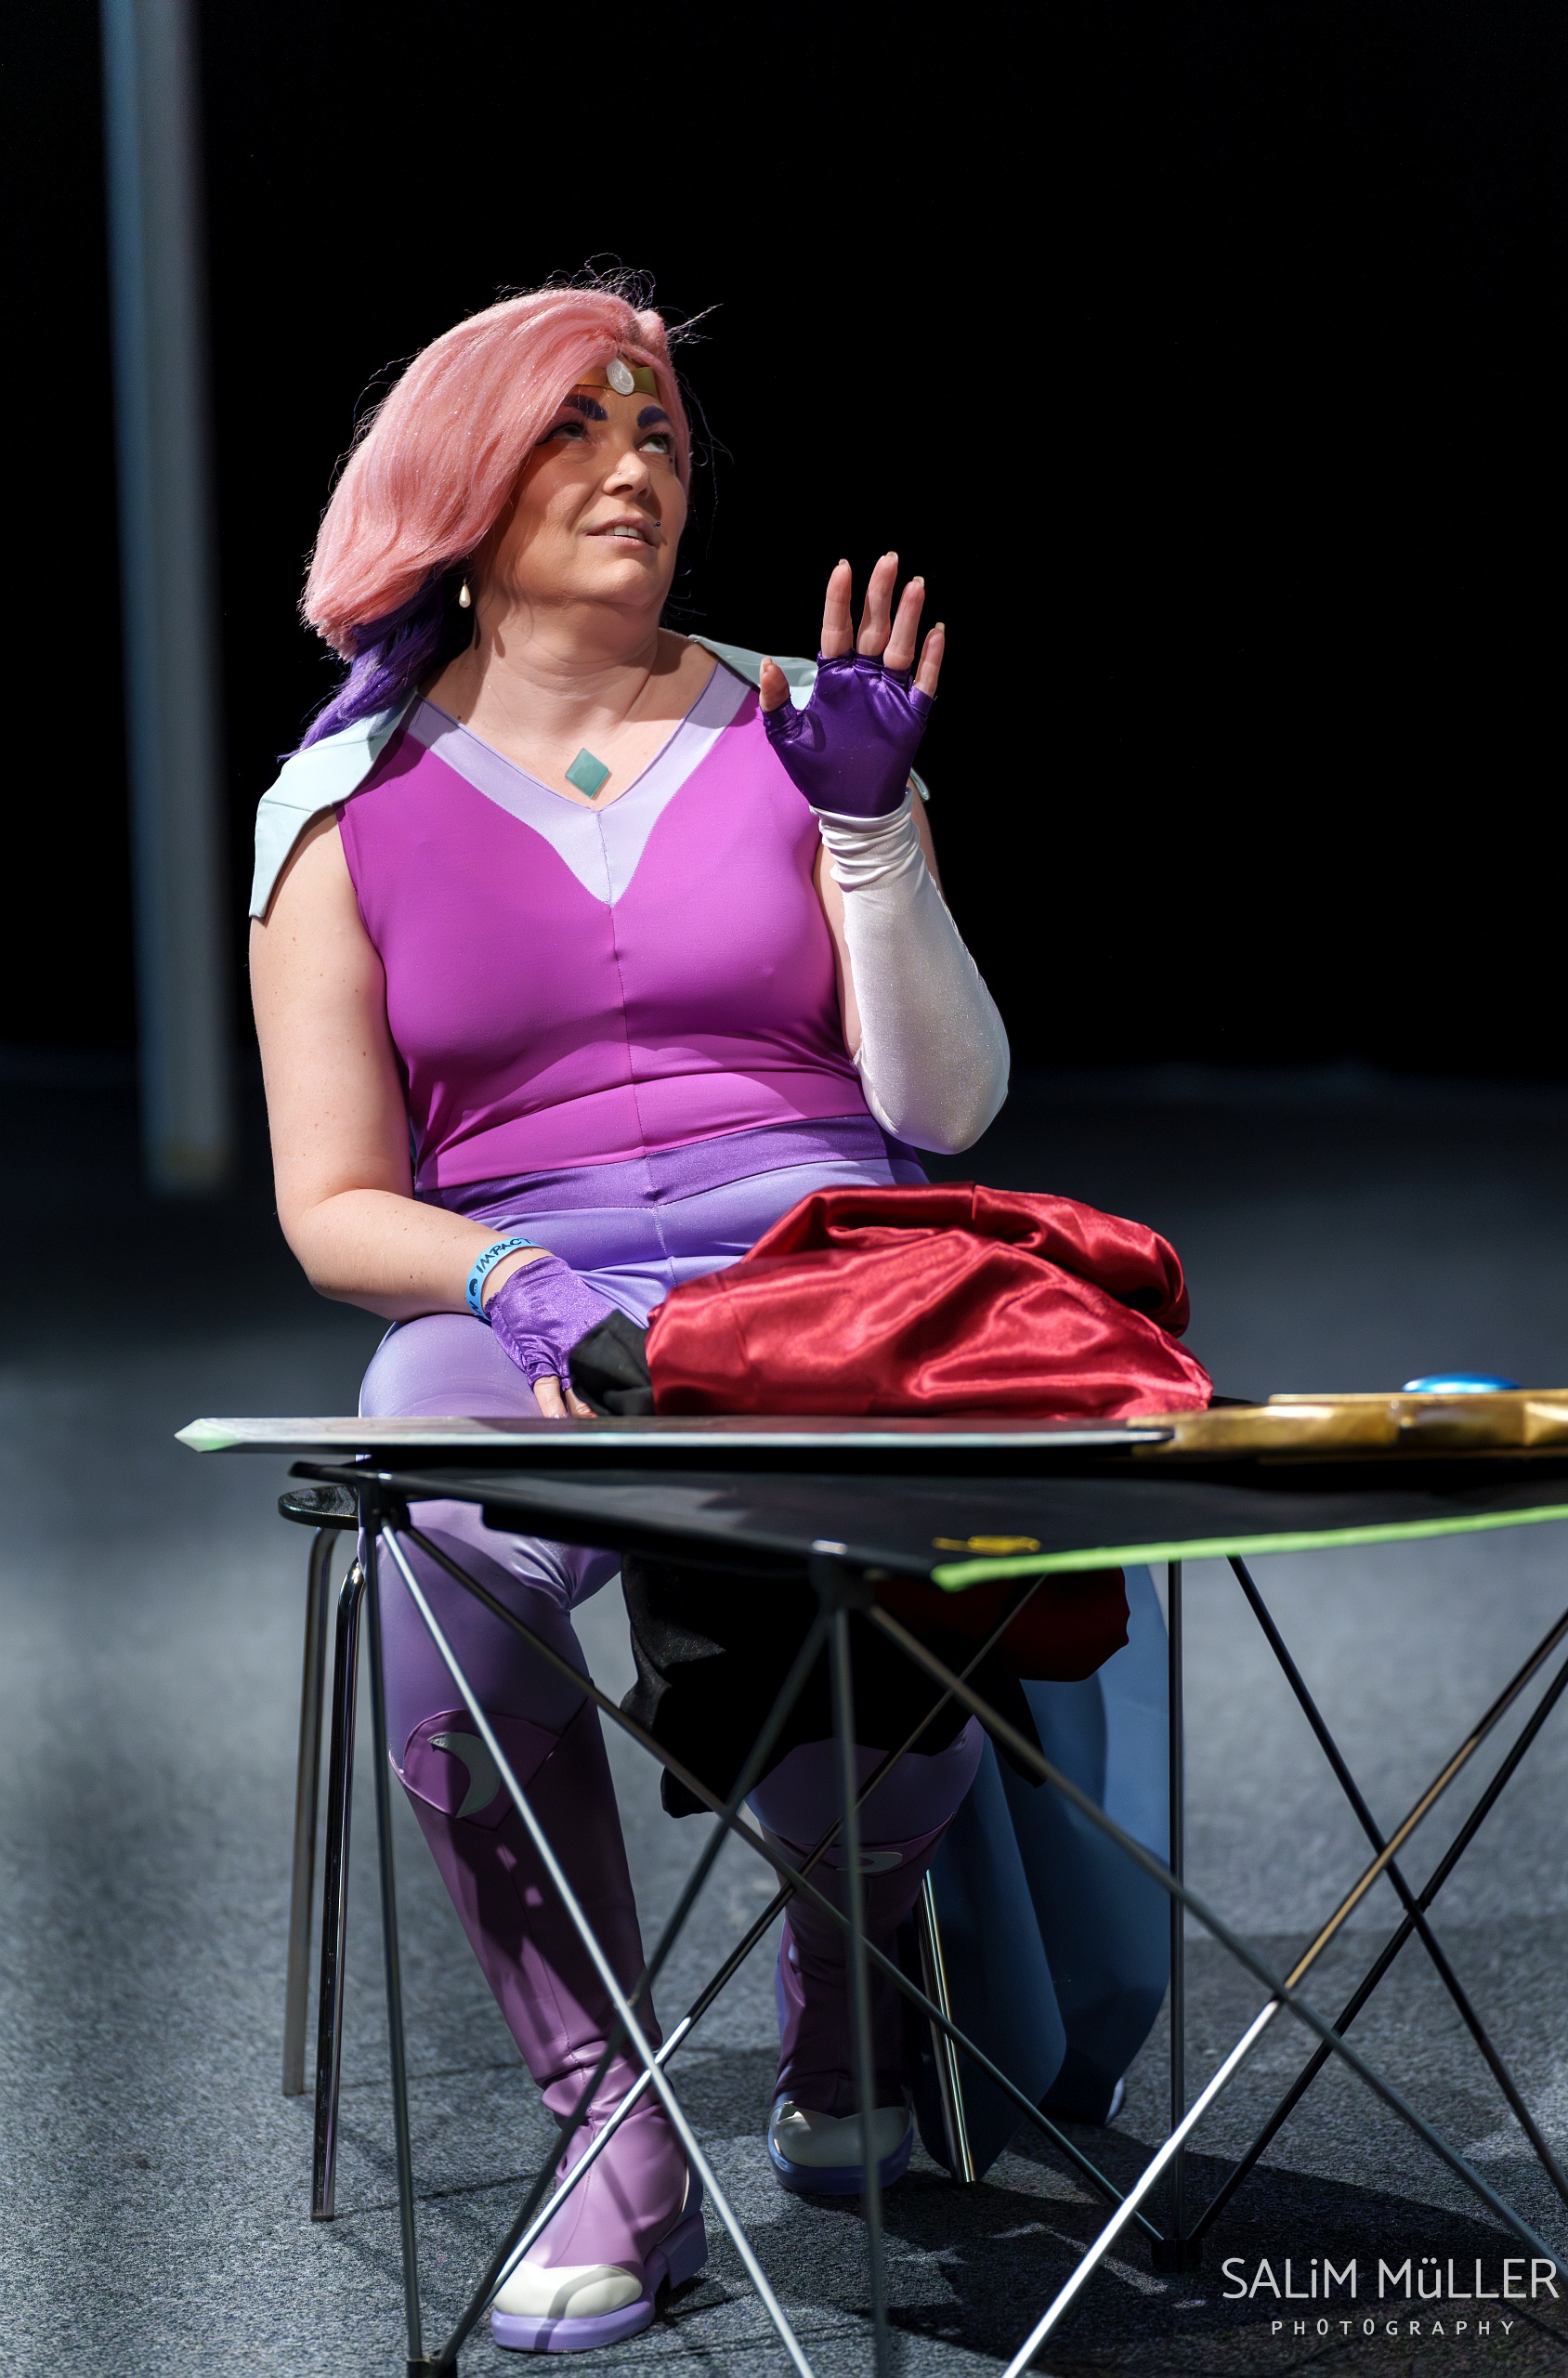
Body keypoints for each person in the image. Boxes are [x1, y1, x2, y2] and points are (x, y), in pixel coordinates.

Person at [250, 280, 1013, 2352]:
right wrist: (512, 1279)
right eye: (574, 428)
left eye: (658, 429)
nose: (634, 467)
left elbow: (946, 1109)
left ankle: (852, 1972)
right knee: (441, 1538)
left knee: (900, 1549)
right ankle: (610, 2120)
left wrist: (869, 827)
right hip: (517, 1272)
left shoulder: (806, 715)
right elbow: (333, 1205)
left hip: (819, 1244)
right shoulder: (339, 803)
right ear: (458, 487)